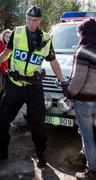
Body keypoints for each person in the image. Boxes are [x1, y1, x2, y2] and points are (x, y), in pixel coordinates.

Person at [0, 5, 66, 168]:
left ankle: (40, 153)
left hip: (34, 86)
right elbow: (6, 55)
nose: (31, 23)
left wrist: (63, 81)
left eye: (34, 20)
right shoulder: (17, 32)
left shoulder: (46, 39)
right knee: (2, 120)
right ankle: (1, 152)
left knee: (38, 123)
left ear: (40, 20)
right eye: (28, 19)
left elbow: (54, 62)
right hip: (15, 85)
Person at [66, 18, 96, 179]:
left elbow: (78, 80)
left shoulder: (83, 51)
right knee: (88, 133)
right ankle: (84, 156)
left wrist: (69, 92)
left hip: (84, 103)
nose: (78, 35)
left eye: (79, 32)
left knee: (88, 137)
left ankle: (92, 171)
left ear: (83, 32)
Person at [0, 29, 11, 100]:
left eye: (10, 37)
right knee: (1, 89)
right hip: (1, 71)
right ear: (3, 36)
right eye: (7, 36)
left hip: (8, 71)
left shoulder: (11, 45)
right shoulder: (1, 44)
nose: (8, 38)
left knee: (5, 90)